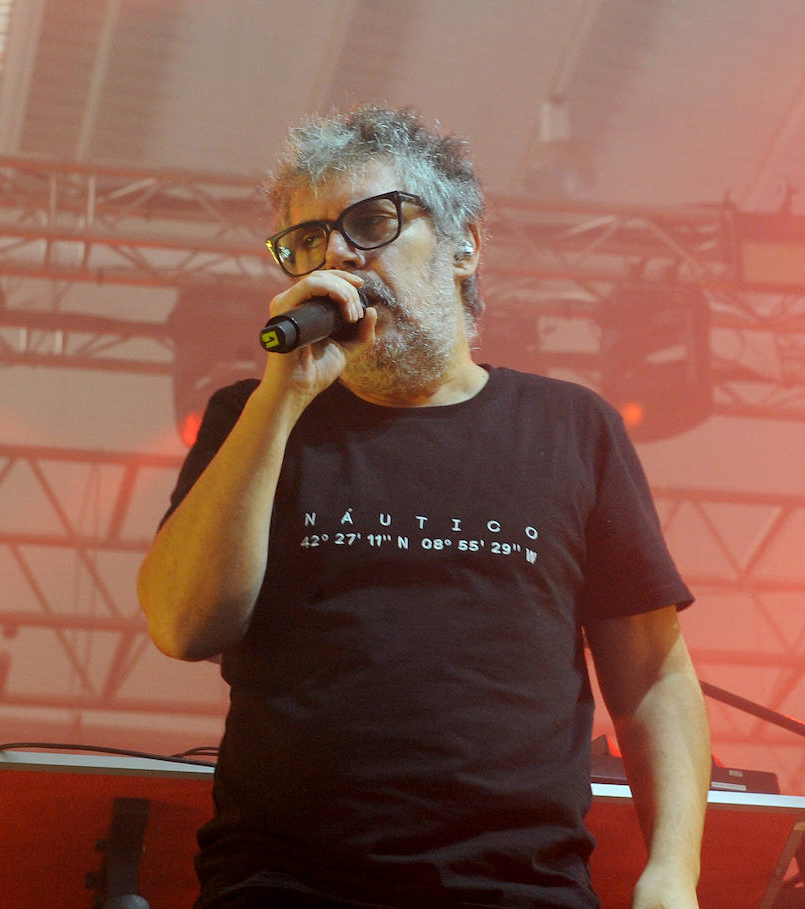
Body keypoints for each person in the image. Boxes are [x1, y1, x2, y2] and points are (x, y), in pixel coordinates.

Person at [137, 105, 711, 909]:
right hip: (283, 881)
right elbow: (182, 624)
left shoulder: (570, 427)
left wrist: (671, 871)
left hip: (518, 885)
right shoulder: (251, 417)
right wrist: (283, 394)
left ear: (464, 242)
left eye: (371, 220)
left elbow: (652, 674)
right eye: (305, 240)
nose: (335, 253)